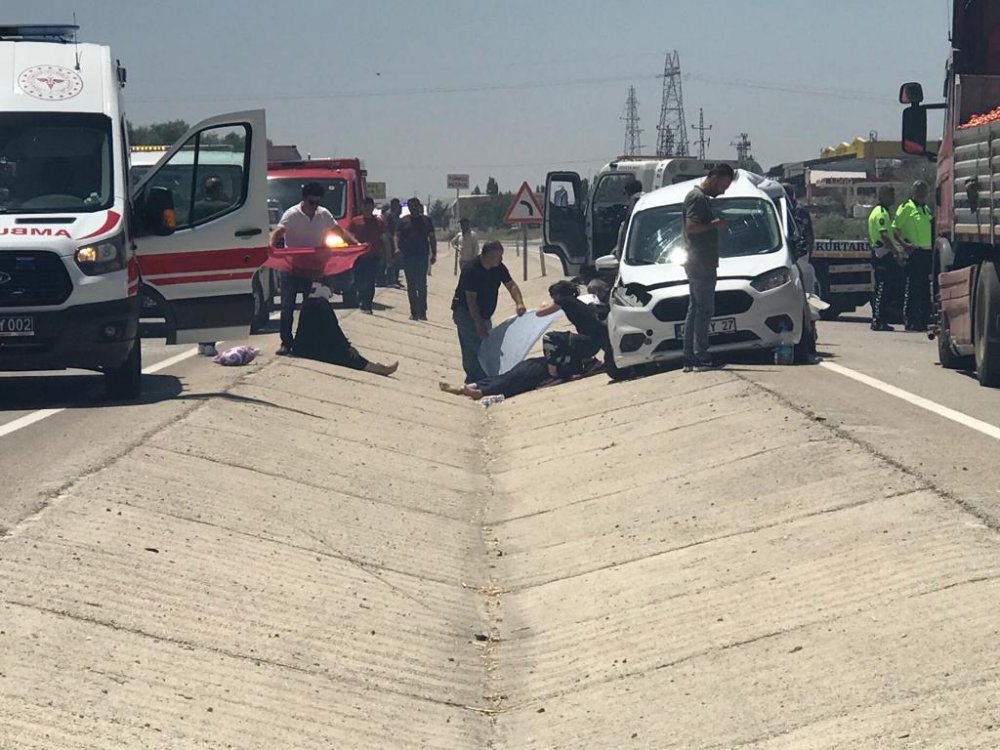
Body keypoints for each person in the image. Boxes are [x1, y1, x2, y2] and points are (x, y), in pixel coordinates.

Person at [269, 182, 359, 355]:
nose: (314, 206)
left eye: (317, 202)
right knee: (287, 307)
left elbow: (339, 231)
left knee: (311, 306)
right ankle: (286, 343)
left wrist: (356, 245)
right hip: (292, 268)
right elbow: (278, 233)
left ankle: (307, 341)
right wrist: (270, 247)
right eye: (311, 202)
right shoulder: (292, 214)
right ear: (304, 199)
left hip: (312, 269)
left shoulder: (323, 214)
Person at [681, 163, 735, 372]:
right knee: (703, 310)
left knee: (695, 309)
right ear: (715, 178)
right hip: (700, 262)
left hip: (700, 261)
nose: (723, 191)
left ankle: (690, 357)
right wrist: (715, 224)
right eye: (724, 185)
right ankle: (700, 356)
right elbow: (691, 227)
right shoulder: (697, 198)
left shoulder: (700, 198)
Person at [451, 240, 526, 383]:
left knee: (486, 344)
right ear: (487, 256)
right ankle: (478, 380)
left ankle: (481, 379)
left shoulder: (499, 268)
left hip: (484, 313)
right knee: (474, 347)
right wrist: (479, 326)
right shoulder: (471, 269)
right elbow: (471, 301)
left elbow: (511, 286)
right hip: (465, 312)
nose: (501, 259)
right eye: (498, 257)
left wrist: (519, 303)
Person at [292, 283, 398, 376]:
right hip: (315, 350)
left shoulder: (307, 303)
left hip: (302, 348)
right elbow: (333, 330)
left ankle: (377, 367)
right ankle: (377, 369)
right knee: (348, 355)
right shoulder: (322, 305)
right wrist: (347, 346)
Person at [536, 280, 606, 379]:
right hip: (594, 342)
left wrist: (542, 305)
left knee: (549, 337)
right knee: (565, 342)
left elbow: (540, 313)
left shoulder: (564, 301)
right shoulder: (575, 301)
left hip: (589, 343)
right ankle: (588, 362)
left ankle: (553, 374)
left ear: (557, 295)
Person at [894, 180, 933, 331]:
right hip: (915, 252)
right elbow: (895, 229)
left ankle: (923, 321)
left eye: (924, 191)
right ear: (914, 192)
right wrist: (904, 245)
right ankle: (910, 321)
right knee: (913, 288)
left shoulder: (926, 209)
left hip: (927, 252)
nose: (922, 194)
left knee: (924, 289)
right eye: (920, 191)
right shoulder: (906, 208)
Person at [868, 185, 905, 332]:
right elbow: (884, 235)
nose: (893, 198)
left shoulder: (881, 212)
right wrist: (896, 251)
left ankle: (880, 319)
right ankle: (877, 321)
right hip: (882, 254)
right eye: (890, 195)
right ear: (882, 196)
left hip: (880, 253)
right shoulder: (881, 213)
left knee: (883, 288)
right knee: (882, 289)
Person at [396, 197, 437, 320]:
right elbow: (397, 236)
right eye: (411, 206)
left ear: (419, 206)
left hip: (422, 256)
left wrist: (434, 254)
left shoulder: (426, 221)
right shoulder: (403, 221)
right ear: (408, 207)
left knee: (422, 284)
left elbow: (432, 237)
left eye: (415, 205)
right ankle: (414, 312)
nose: (413, 208)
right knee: (411, 285)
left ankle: (422, 312)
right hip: (408, 256)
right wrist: (397, 249)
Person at [349, 197, 391, 314]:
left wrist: (388, 257)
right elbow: (349, 237)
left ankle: (367, 304)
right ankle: (362, 299)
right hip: (359, 257)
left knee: (370, 281)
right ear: (362, 207)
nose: (368, 209)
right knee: (359, 280)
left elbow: (385, 239)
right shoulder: (355, 221)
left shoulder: (379, 222)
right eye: (365, 206)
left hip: (374, 256)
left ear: (373, 207)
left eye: (370, 206)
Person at [615, 179, 644, 258]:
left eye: (625, 193)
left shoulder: (632, 208)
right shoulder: (647, 202)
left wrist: (618, 251)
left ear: (629, 192)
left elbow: (624, 233)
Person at [381, 198, 403, 288]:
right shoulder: (388, 215)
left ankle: (395, 279)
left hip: (395, 240)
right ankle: (389, 280)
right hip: (389, 240)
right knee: (389, 261)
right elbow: (386, 228)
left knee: (396, 260)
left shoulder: (395, 215)